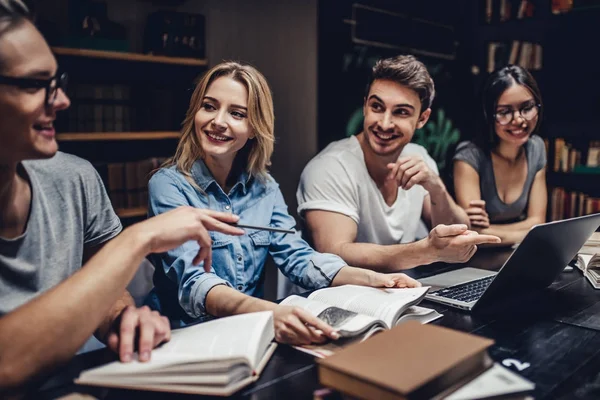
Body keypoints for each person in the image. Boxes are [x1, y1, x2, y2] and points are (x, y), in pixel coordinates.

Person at [0, 0, 244, 392]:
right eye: (33, 84)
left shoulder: (75, 178)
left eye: (56, 81)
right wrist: (138, 237)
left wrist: (124, 319)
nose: (61, 100)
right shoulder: (167, 184)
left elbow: (109, 294)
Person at [147, 61, 421, 345]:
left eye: (237, 113)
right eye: (209, 106)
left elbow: (297, 257)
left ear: (254, 128)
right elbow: (194, 282)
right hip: (179, 337)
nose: (218, 121)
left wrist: (370, 279)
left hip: (249, 335)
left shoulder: (265, 187)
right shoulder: (167, 185)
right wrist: (272, 312)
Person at [296, 55, 500, 272]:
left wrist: (436, 187)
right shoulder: (329, 167)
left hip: (400, 294)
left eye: (401, 112)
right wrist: (426, 251)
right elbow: (334, 252)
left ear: (422, 118)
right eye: (377, 107)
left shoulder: (417, 155)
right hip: (334, 300)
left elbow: (459, 230)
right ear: (365, 106)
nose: (384, 123)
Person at [452, 65, 546, 246]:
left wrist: (492, 232)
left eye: (526, 108)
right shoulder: (469, 157)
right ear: (488, 115)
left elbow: (538, 222)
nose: (518, 120)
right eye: (504, 112)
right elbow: (473, 235)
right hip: (469, 262)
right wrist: (527, 232)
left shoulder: (537, 148)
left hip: (512, 256)